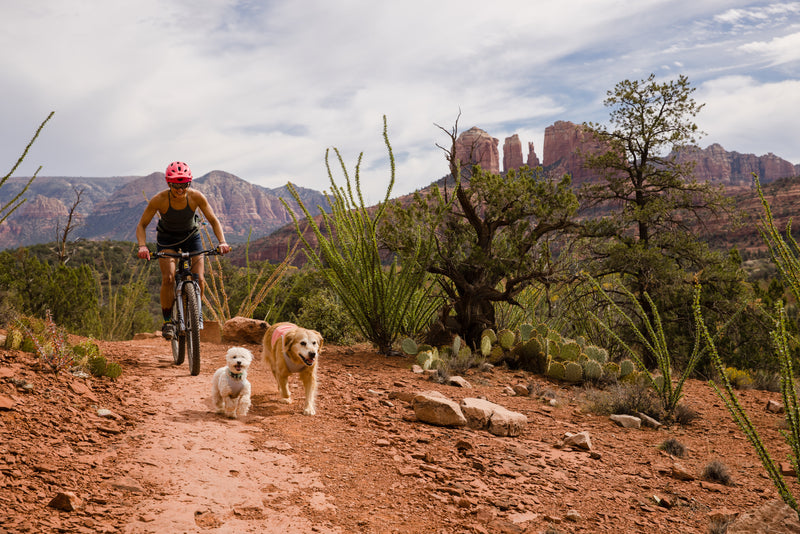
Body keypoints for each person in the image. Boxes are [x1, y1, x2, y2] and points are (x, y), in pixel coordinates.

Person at [136, 161, 231, 339]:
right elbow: (141, 225)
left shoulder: (196, 197)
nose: (180, 190)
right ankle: (167, 323)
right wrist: (142, 246)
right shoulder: (160, 199)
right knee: (169, 277)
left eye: (184, 185)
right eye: (176, 185)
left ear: (190, 183)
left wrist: (222, 241)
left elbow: (213, 220)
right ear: (168, 183)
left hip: (191, 237)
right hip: (167, 239)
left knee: (200, 278)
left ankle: (195, 314)